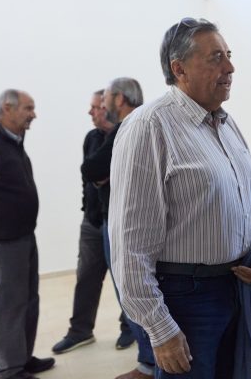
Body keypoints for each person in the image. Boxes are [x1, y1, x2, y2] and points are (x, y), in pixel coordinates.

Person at [109, 18, 251, 379]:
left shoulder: (226, 124)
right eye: (216, 58)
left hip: (234, 289)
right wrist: (159, 329)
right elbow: (129, 245)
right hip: (186, 300)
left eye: (228, 55)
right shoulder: (149, 127)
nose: (230, 67)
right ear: (179, 68)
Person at [81, 78, 155, 379]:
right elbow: (94, 172)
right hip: (133, 221)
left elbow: (92, 169)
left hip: (126, 225)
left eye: (106, 98)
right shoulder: (145, 123)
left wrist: (107, 173)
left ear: (120, 99)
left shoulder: (128, 127)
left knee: (133, 292)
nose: (102, 105)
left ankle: (149, 364)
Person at [52, 90, 135, 354]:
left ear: (107, 108)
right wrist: (88, 205)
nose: (90, 112)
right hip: (92, 220)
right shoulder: (92, 138)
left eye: (95, 107)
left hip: (117, 222)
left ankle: (129, 328)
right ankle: (80, 331)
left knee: (125, 280)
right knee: (86, 277)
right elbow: (89, 175)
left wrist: (102, 174)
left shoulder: (126, 135)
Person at [0, 89, 55, 379]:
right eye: (28, 108)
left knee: (28, 300)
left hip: (24, 236)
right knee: (8, 305)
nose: (33, 114)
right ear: (7, 108)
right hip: (4, 241)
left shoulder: (13, 142)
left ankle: (22, 358)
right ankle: (8, 369)